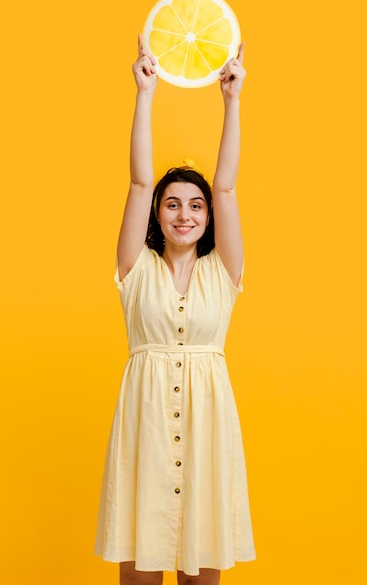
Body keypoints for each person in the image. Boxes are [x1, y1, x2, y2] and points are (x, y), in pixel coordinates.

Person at [95, 35, 255, 585]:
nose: (184, 214)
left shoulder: (223, 272)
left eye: (195, 206)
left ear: (208, 218)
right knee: (140, 567)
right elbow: (139, 179)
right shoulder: (134, 267)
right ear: (157, 215)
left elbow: (227, 188)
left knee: (201, 565)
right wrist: (146, 93)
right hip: (146, 430)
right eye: (172, 204)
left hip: (208, 429)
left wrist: (231, 101)